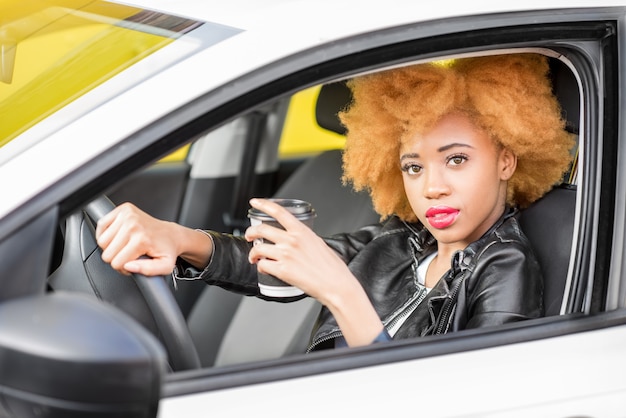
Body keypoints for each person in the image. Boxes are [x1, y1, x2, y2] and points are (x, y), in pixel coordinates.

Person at [95, 53, 574, 351]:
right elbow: (280, 262)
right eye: (413, 166)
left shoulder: (507, 267)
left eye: (457, 161)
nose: (432, 187)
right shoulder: (402, 241)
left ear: (507, 161)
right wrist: (177, 238)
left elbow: (459, 400)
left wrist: (342, 293)